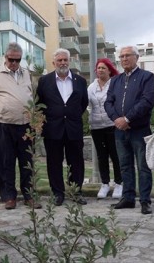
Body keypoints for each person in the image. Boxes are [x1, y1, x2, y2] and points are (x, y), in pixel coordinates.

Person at [0, 42, 41, 211]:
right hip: (4, 125)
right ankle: (9, 197)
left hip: (26, 126)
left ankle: (29, 195)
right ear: (5, 57)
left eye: (17, 60)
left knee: (27, 162)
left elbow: (33, 97)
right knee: (5, 162)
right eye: (10, 59)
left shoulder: (27, 74)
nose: (14, 63)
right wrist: (0, 111)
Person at [104, 46, 154, 215]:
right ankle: (127, 198)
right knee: (124, 165)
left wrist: (127, 119)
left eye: (128, 55)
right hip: (120, 131)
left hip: (139, 130)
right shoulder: (115, 80)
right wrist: (116, 120)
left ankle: (145, 201)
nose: (124, 59)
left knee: (143, 166)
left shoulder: (147, 77)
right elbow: (108, 102)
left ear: (137, 57)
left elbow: (147, 101)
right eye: (121, 56)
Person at [36, 48, 88, 206]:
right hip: (53, 129)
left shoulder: (80, 81)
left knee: (76, 162)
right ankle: (57, 193)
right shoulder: (44, 81)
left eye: (65, 60)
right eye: (60, 60)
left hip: (74, 128)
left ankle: (76, 192)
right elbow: (40, 104)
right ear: (53, 63)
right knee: (54, 163)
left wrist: (71, 114)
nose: (63, 63)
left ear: (69, 61)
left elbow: (83, 103)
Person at [87, 58, 123, 199]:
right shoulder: (91, 87)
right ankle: (105, 184)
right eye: (98, 68)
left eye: (103, 68)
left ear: (109, 70)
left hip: (112, 124)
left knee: (115, 155)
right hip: (96, 126)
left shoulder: (115, 84)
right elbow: (86, 103)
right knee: (102, 156)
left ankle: (119, 183)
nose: (100, 70)